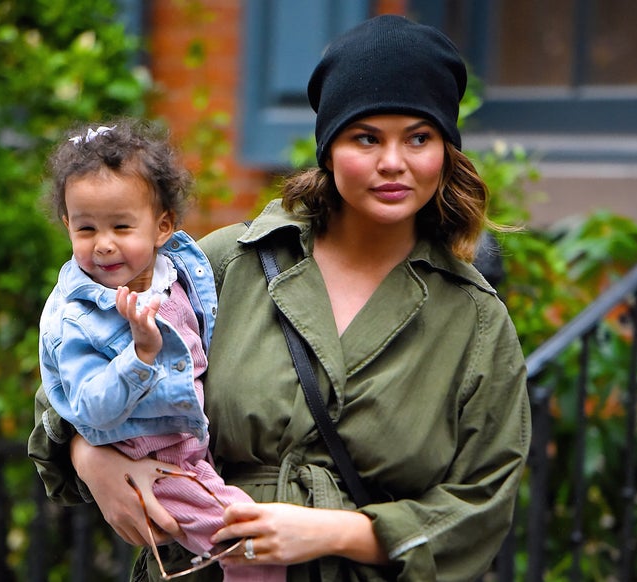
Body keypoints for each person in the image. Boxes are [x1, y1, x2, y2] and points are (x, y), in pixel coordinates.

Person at [29, 15, 531, 582]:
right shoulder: (222, 265)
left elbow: (481, 506)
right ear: (329, 148)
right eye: (366, 137)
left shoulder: (474, 319)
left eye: (419, 137)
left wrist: (333, 531)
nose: (393, 162)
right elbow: (76, 366)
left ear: (444, 150)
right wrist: (90, 458)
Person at [36, 119, 284, 582]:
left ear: (162, 226)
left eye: (122, 226)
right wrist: (139, 357)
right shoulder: (74, 316)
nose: (104, 244)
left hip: (191, 449)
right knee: (252, 544)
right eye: (86, 228)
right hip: (153, 461)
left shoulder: (182, 269)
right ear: (67, 224)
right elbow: (86, 408)